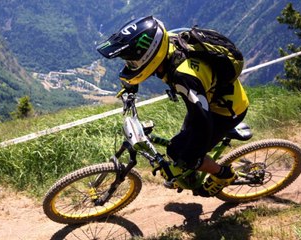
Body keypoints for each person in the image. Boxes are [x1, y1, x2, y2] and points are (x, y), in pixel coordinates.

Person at [96, 16, 249, 197]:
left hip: (224, 111)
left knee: (181, 153)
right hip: (210, 102)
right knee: (179, 146)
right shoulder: (170, 43)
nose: (130, 65)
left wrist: (190, 157)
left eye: (132, 62)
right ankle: (189, 174)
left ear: (149, 56)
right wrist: (130, 87)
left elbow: (203, 121)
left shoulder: (183, 77)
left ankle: (223, 174)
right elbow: (144, 71)